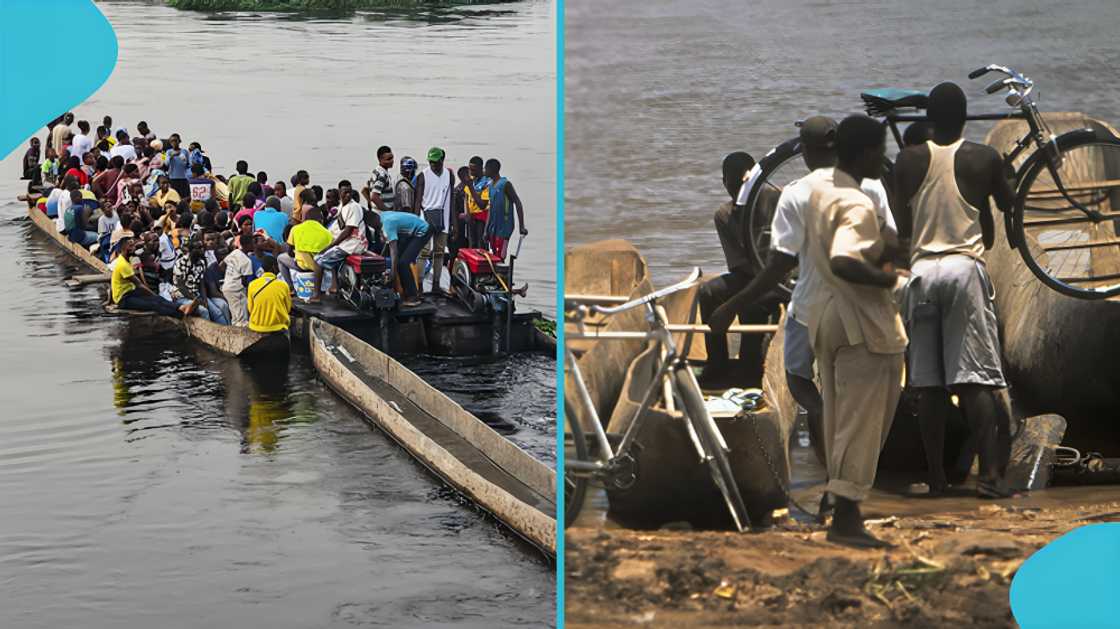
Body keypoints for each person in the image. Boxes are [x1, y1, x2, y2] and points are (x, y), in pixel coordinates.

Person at [708, 117, 899, 469]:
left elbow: (777, 267)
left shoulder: (796, 192)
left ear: (806, 152)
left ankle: (826, 447)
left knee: (800, 382)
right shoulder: (871, 184)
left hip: (812, 306)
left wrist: (731, 306)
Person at [892, 82, 1017, 499]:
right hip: (964, 270)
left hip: (922, 272)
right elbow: (1009, 204)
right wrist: (1006, 179)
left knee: (928, 385)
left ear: (929, 119)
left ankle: (936, 479)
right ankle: (990, 477)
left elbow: (903, 226)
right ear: (965, 118)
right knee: (974, 381)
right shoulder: (984, 157)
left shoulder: (907, 160)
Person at [802, 115, 908, 548]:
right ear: (864, 153)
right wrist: (888, 280)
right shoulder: (857, 203)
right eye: (879, 150)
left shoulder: (822, 191)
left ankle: (841, 508)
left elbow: (857, 247)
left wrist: (886, 247)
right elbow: (846, 259)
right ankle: (845, 520)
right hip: (861, 323)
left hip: (828, 315)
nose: (883, 158)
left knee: (841, 420)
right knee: (863, 423)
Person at [111, 236, 190, 317]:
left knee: (157, 299)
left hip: (131, 292)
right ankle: (180, 314)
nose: (134, 248)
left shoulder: (126, 259)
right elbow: (139, 284)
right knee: (153, 304)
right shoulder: (122, 264)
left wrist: (154, 296)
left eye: (134, 245)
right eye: (131, 246)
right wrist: (153, 295)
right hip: (123, 299)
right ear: (123, 248)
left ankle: (181, 307)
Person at [414, 147, 455, 293]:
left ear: (442, 160)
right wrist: (415, 222)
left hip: (443, 219)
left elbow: (451, 199)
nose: (433, 165)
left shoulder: (449, 175)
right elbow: (418, 201)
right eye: (430, 162)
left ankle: (436, 285)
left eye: (435, 162)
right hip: (425, 219)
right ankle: (419, 286)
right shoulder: (423, 176)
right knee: (423, 253)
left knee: (439, 253)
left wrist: (453, 223)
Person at [313, 188, 368, 298]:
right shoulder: (342, 207)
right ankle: (335, 286)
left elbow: (348, 231)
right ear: (340, 195)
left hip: (352, 244)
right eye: (344, 193)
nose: (347, 195)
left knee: (318, 261)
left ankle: (316, 295)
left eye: (349, 193)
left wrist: (330, 246)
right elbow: (337, 227)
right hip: (346, 243)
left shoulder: (354, 207)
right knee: (326, 255)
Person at [379, 210, 432, 307]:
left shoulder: (387, 225)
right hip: (412, 231)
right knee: (399, 261)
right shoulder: (382, 216)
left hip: (422, 230)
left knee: (403, 262)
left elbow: (394, 251)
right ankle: (405, 293)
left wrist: (392, 273)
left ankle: (413, 297)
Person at [279, 206, 332, 293]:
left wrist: (298, 253)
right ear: (320, 220)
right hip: (320, 268)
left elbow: (289, 252)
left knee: (280, 258)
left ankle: (291, 288)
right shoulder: (327, 233)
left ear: (306, 218)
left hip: (301, 266)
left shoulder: (295, 229)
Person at [481, 158, 527, 259]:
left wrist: (521, 226)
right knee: (493, 255)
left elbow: (517, 203)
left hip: (504, 227)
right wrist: (486, 230)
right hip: (493, 227)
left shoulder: (505, 184)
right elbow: (490, 209)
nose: (484, 170)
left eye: (486, 168)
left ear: (492, 169)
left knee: (500, 256)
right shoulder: (490, 186)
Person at [247, 255, 292, 333]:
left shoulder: (252, 285)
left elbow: (250, 308)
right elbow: (288, 308)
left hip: (256, 327)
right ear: (274, 267)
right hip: (278, 327)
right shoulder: (283, 285)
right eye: (277, 266)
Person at [222, 234, 257, 327]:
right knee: (241, 320)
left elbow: (222, 265)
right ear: (247, 245)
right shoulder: (247, 261)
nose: (254, 246)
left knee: (235, 316)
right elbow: (244, 281)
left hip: (227, 286)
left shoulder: (235, 252)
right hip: (236, 290)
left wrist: (229, 276)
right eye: (253, 243)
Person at [460, 156, 490, 248]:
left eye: (473, 170)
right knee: (472, 244)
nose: (471, 172)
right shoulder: (471, 180)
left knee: (481, 244)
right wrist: (467, 213)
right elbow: (466, 197)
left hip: (482, 216)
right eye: (470, 169)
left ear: (481, 168)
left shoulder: (487, 182)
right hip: (471, 216)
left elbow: (482, 205)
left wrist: (471, 187)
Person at [366, 146, 396, 211]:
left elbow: (368, 189)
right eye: (388, 159)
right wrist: (387, 211)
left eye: (392, 158)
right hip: (381, 213)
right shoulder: (382, 175)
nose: (392, 161)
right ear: (380, 160)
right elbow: (374, 197)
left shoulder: (376, 171)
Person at [165, 134, 191, 198]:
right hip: (172, 178)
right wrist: (172, 156)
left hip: (183, 178)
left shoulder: (184, 151)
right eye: (171, 141)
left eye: (175, 140)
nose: (173, 142)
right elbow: (166, 163)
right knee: (174, 197)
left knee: (183, 196)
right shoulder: (168, 152)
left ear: (179, 141)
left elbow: (188, 164)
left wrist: (183, 159)